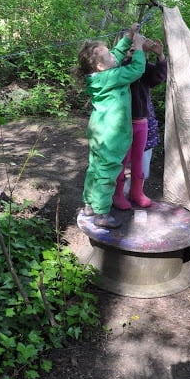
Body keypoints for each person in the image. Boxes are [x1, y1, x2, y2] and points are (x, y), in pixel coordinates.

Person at [76, 24, 146, 229]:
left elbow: (115, 54)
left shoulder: (99, 76)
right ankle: (101, 213)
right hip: (112, 134)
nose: (113, 55)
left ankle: (89, 204)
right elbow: (136, 69)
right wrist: (139, 47)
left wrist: (128, 37)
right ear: (100, 65)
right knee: (108, 171)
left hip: (99, 130)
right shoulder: (111, 76)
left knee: (95, 168)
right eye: (107, 55)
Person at [113, 36, 167, 210]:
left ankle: (136, 192)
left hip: (142, 121)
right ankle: (117, 193)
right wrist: (133, 53)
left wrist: (160, 57)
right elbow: (130, 71)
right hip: (125, 123)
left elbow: (158, 77)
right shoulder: (121, 68)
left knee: (138, 159)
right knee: (123, 159)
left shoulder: (144, 67)